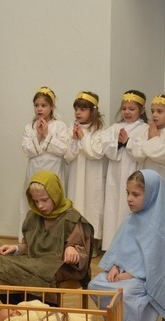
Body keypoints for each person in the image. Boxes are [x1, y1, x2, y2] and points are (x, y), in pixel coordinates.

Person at [88, 170, 165, 321]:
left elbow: (159, 265)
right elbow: (120, 249)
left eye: (135, 194)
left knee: (127, 293)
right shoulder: (130, 219)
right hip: (123, 273)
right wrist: (114, 267)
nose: (129, 199)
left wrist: (131, 274)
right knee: (95, 285)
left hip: (147, 280)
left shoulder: (162, 226)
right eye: (128, 193)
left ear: (151, 194)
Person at [0, 170, 93, 306]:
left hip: (62, 265)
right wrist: (15, 248)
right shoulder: (33, 216)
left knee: (43, 273)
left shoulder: (72, 218)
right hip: (37, 260)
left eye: (45, 200)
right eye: (36, 201)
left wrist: (72, 249)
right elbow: (30, 245)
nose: (40, 206)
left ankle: (46, 313)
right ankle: (19, 309)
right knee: (3, 266)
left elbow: (80, 248)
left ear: (55, 194)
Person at [101, 90, 149, 251]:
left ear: (141, 110)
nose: (127, 112)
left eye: (131, 109)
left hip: (132, 172)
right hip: (114, 175)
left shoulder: (145, 129)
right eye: (124, 108)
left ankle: (129, 247)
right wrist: (118, 144)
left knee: (127, 207)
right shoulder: (115, 127)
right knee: (113, 206)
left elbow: (143, 151)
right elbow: (104, 146)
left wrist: (128, 142)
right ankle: (112, 245)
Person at [20, 87, 68, 241]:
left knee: (51, 202)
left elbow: (63, 149)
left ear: (52, 106)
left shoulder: (60, 126)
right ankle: (30, 238)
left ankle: (52, 240)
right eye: (36, 105)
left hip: (53, 170)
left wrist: (47, 135)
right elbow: (27, 150)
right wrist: (38, 137)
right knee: (34, 203)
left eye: (44, 105)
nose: (39, 109)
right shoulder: (29, 127)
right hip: (34, 170)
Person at [64, 91, 106, 256]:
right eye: (76, 109)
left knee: (91, 207)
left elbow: (96, 153)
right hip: (76, 176)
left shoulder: (99, 131)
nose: (78, 113)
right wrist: (75, 140)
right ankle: (75, 241)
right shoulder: (71, 129)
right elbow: (68, 156)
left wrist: (82, 138)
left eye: (83, 109)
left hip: (92, 177)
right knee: (76, 205)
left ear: (92, 111)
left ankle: (92, 242)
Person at [127, 94, 165, 193]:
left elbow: (163, 156)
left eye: (159, 111)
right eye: (152, 111)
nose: (154, 115)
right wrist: (149, 140)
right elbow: (137, 154)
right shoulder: (147, 131)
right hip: (144, 178)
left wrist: (153, 138)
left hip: (162, 179)